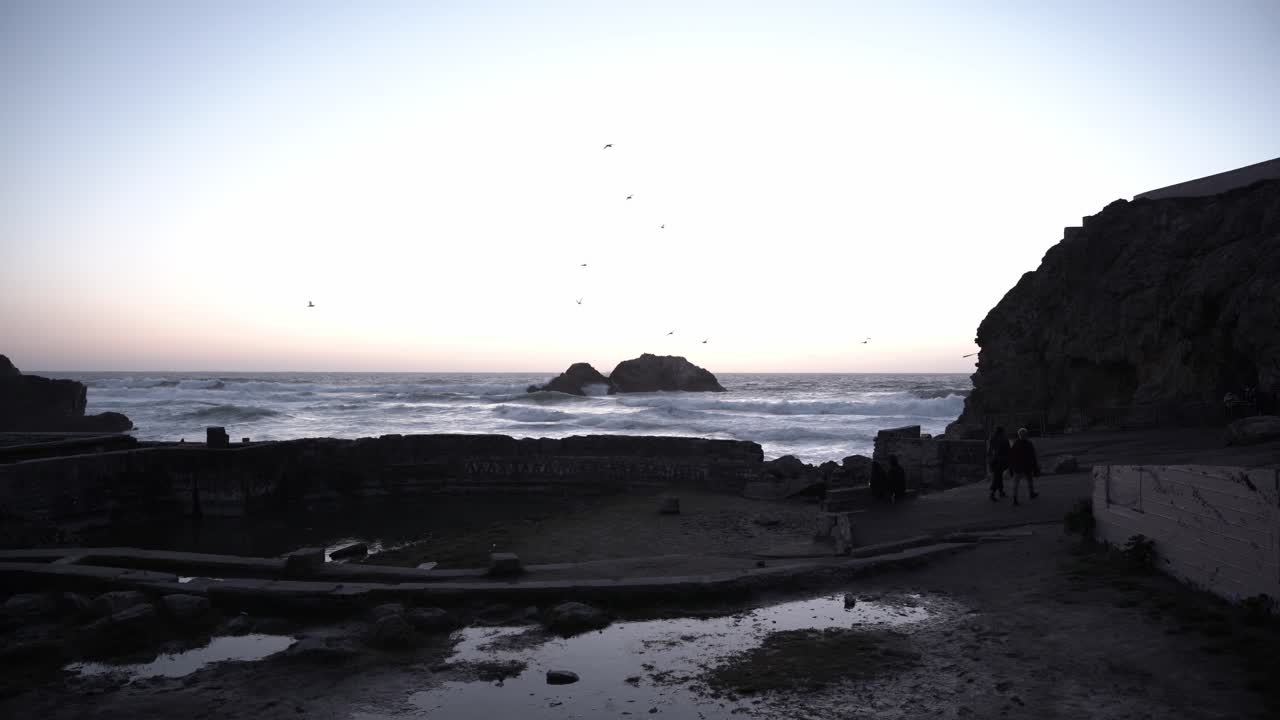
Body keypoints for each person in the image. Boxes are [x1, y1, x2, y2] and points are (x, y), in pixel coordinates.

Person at [1007, 427, 1040, 506]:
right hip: (1027, 466)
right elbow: (1033, 456)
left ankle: (1015, 498)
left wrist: (1011, 466)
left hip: (1018, 466)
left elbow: (1011, 456)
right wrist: (1035, 467)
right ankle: (1031, 493)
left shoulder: (1015, 444)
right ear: (1026, 435)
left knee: (1016, 483)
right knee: (1029, 480)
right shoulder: (1029, 444)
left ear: (1019, 435)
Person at [987, 426, 1010, 502]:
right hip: (1001, 460)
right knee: (997, 477)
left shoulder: (993, 438)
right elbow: (1008, 450)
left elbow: (990, 451)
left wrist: (990, 460)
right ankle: (992, 493)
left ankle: (1001, 492)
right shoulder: (1004, 439)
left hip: (994, 460)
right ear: (1002, 431)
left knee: (998, 476)